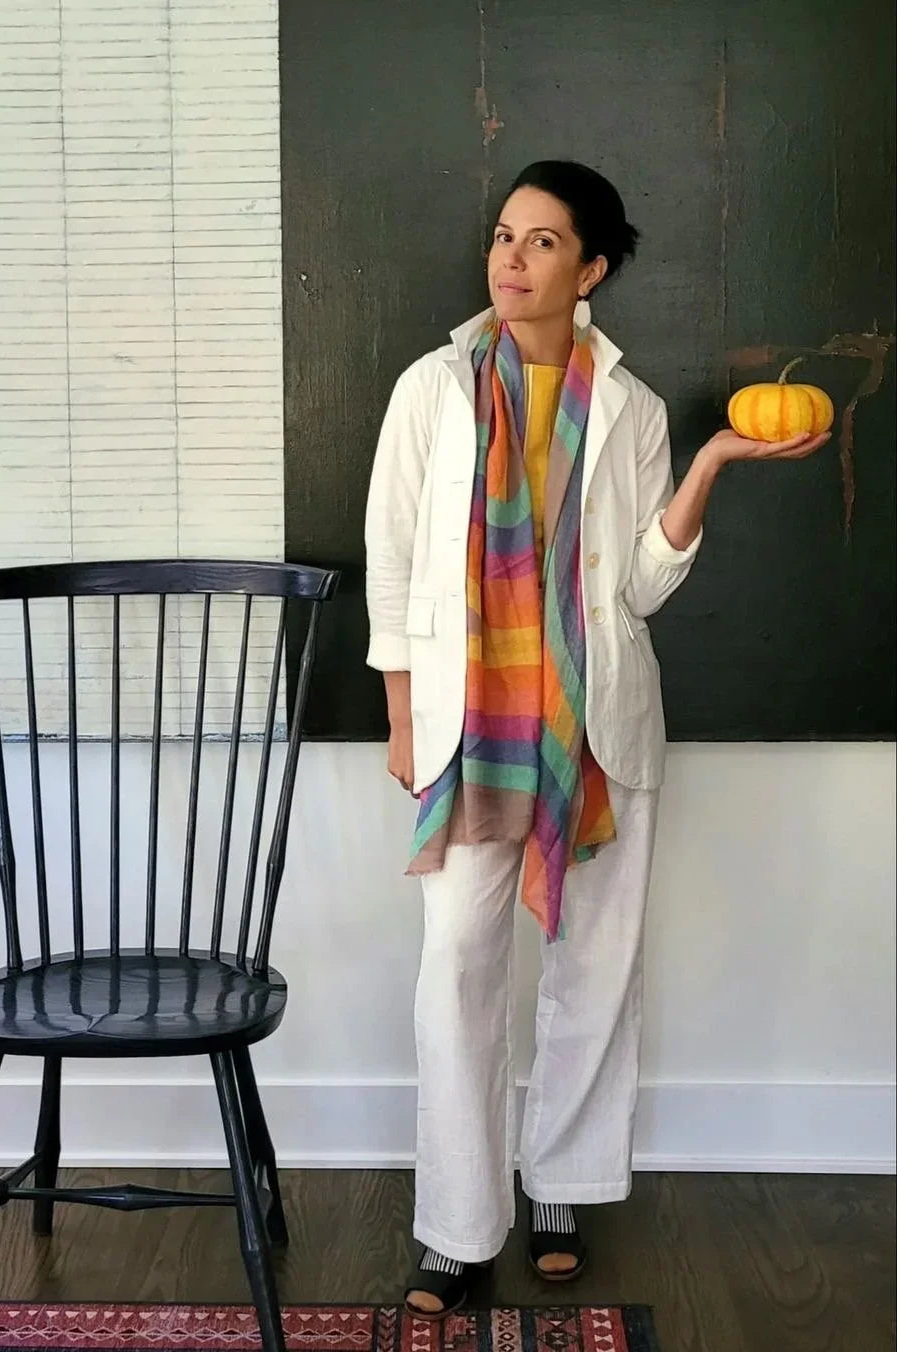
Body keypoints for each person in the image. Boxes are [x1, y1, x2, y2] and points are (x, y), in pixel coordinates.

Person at [363, 159, 830, 1319]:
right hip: (472, 723)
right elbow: (391, 556)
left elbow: (647, 585)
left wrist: (711, 463)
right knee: (457, 971)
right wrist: (402, 715)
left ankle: (562, 1189)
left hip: (595, 721)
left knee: (593, 967)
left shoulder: (632, 406)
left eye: (541, 242)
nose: (510, 259)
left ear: (591, 269)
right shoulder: (433, 387)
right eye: (503, 236)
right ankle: (458, 1226)